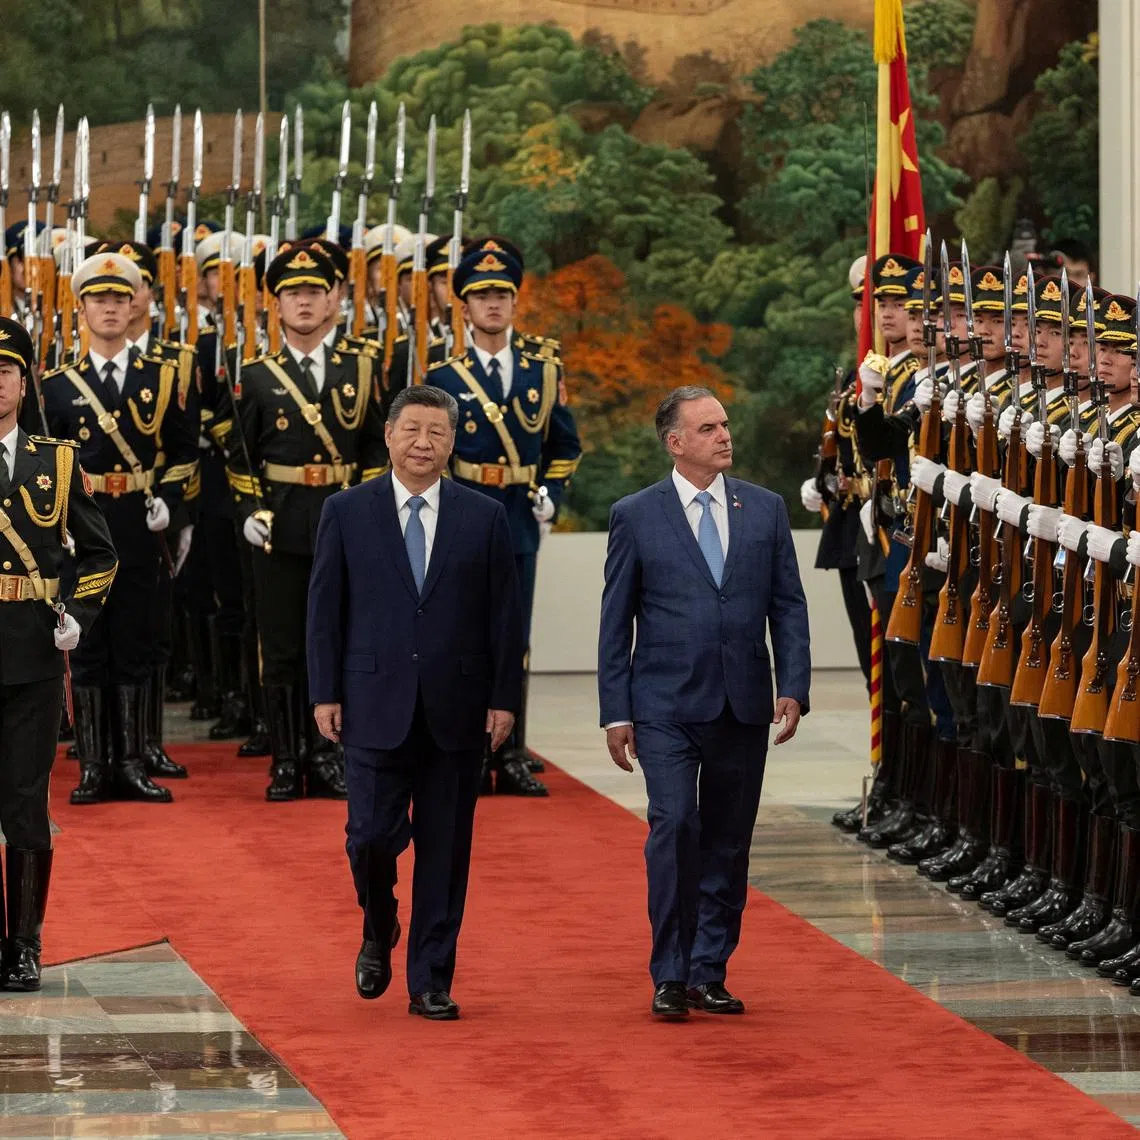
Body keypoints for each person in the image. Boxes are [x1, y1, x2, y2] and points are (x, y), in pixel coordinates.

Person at [307, 384, 524, 1020]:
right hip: (372, 702)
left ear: (454, 442)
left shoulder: (484, 516)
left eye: (437, 432)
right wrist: (325, 691)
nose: (424, 443)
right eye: (412, 430)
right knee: (370, 838)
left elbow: (504, 620)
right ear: (390, 436)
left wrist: (504, 699)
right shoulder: (346, 512)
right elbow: (325, 610)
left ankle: (430, 978)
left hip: (458, 709)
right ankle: (379, 926)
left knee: (445, 849)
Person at [598, 385, 811, 1019]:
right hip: (662, 701)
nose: (725, 435)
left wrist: (793, 685)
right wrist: (616, 710)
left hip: (742, 702)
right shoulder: (636, 514)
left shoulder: (765, 509)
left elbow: (788, 605)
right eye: (710, 427)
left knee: (727, 840)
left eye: (725, 424)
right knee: (675, 826)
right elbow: (615, 621)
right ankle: (669, 971)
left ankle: (708, 970)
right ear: (676, 442)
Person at [227, 243, 387, 802]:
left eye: (314, 292)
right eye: (292, 293)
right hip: (282, 524)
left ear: (335, 299)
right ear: (276, 305)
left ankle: (329, 755)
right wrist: (252, 510)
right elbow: (239, 455)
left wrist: (369, 509)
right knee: (283, 645)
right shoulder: (257, 375)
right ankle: (286, 757)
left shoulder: (363, 367)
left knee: (341, 642)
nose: (303, 302)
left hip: (345, 523)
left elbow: (375, 446)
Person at [41, 252, 199, 805]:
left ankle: (131, 761)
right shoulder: (58, 385)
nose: (108, 309)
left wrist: (172, 502)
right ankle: (94, 765)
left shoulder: (161, 374)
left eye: (118, 299)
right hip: (81, 530)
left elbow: (183, 450)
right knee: (87, 643)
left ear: (133, 306)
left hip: (136, 521)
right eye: (97, 300)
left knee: (134, 640)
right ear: (80, 308)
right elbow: (47, 461)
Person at [429, 241, 582, 795]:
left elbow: (565, 444)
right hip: (464, 517)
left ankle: (513, 753)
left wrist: (552, 492)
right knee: (464, 636)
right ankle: (468, 749)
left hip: (518, 516)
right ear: (464, 307)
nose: (492, 304)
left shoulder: (543, 367)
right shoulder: (444, 377)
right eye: (481, 296)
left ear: (515, 302)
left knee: (512, 637)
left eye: (501, 294)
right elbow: (429, 453)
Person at [0, 318, 117, 989]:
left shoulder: (57, 460)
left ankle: (24, 943)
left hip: (33, 657)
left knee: (24, 800)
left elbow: (101, 551)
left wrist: (79, 612)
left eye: (6, 372)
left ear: (23, 382)